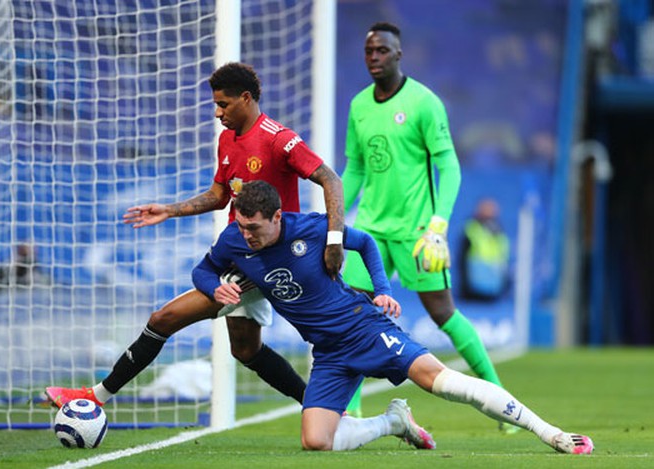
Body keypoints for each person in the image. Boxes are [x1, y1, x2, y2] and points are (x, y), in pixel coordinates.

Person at [192, 180, 594, 453]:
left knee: (443, 383)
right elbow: (203, 270)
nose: (247, 236)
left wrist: (383, 291)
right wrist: (214, 288)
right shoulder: (233, 239)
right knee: (315, 441)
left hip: (363, 327)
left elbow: (364, 242)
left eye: (254, 228)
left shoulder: (313, 229)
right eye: (242, 227)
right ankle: (393, 423)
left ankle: (552, 434)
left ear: (277, 217)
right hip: (328, 352)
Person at [45, 62, 345, 408]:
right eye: (215, 105)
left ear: (245, 98)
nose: (218, 113)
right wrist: (171, 209)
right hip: (241, 251)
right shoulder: (227, 140)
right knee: (245, 348)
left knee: (163, 319)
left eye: (224, 104)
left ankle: (95, 396)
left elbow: (330, 179)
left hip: (267, 257)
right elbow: (219, 196)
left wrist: (334, 241)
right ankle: (322, 407)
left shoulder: (279, 139)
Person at [340, 22, 505, 422]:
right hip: (371, 233)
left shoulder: (424, 103)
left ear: (399, 54)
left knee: (443, 314)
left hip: (417, 235)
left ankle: (499, 400)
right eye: (369, 51)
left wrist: (437, 227)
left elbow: (449, 166)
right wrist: (330, 217)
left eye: (382, 50)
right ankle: (350, 412)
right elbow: (356, 169)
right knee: (358, 315)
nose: (374, 57)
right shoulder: (359, 105)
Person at [459, 197, 511, 301]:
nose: (491, 212)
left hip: (495, 289)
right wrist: (465, 286)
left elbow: (503, 259)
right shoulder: (472, 228)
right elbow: (462, 259)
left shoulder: (499, 230)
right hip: (473, 290)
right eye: (487, 208)